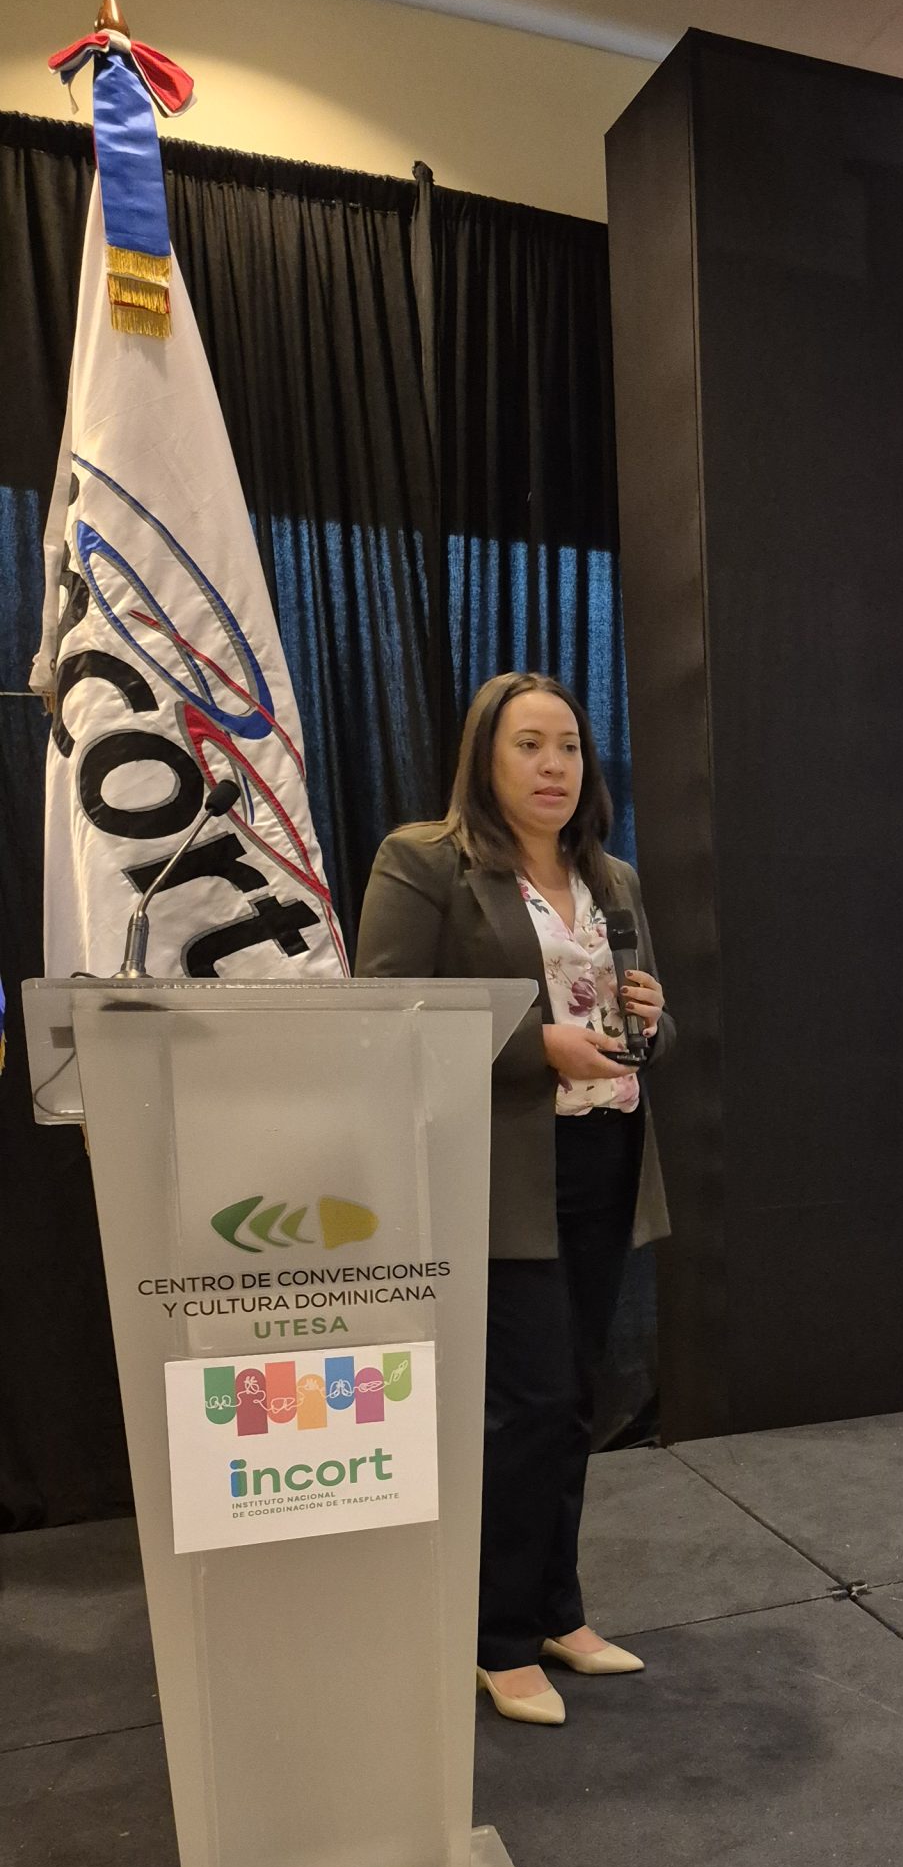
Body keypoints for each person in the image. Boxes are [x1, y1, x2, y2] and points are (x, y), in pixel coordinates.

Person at [356, 672, 671, 1724]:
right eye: (529, 745)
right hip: (499, 1172)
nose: (553, 767)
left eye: (569, 747)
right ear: (484, 758)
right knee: (528, 1403)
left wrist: (651, 1020)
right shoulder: (426, 863)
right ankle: (495, 1638)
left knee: (574, 1400)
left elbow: (641, 1022)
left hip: (605, 1160)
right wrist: (537, 1046)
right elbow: (389, 1015)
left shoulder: (611, 878)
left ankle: (556, 1611)